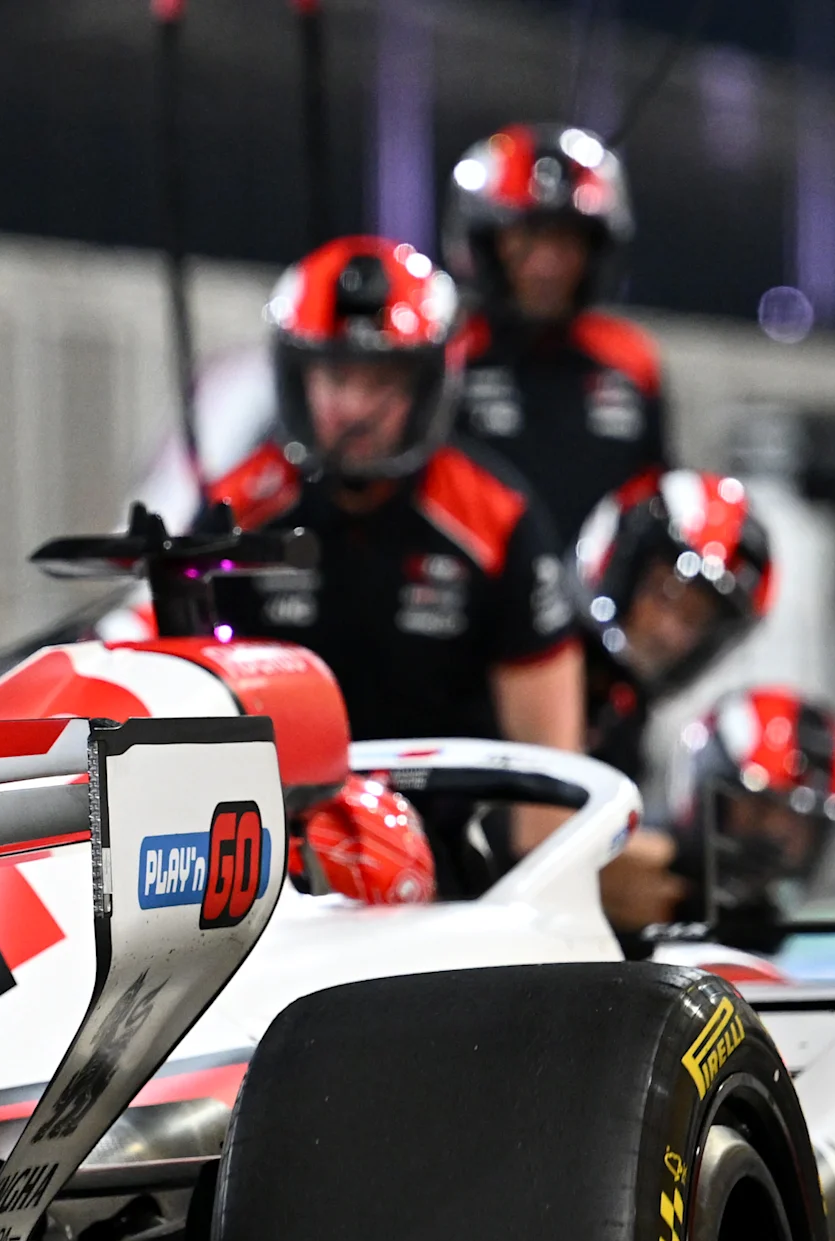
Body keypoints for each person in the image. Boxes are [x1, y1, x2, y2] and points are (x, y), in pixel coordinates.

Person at [202, 235, 588, 852]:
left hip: (454, 870)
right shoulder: (235, 512)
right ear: (299, 376)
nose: (355, 407)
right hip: (271, 860)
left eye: (382, 379)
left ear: (429, 383)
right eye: (336, 375)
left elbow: (549, 766)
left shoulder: (499, 522)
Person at [442, 122, 671, 542]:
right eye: (526, 237)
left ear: (595, 248)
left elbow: (656, 502)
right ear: (488, 243)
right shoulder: (448, 356)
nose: (546, 265)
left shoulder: (632, 361)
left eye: (566, 240)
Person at [600, 686, 835, 957]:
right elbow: (599, 860)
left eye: (799, 823)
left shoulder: (797, 944)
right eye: (760, 808)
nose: (775, 833)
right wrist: (680, 877)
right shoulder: (620, 861)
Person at [570, 466, 775, 792]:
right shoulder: (523, 646)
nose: (668, 632)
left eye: (694, 619)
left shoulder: (627, 727)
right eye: (664, 593)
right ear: (620, 562)